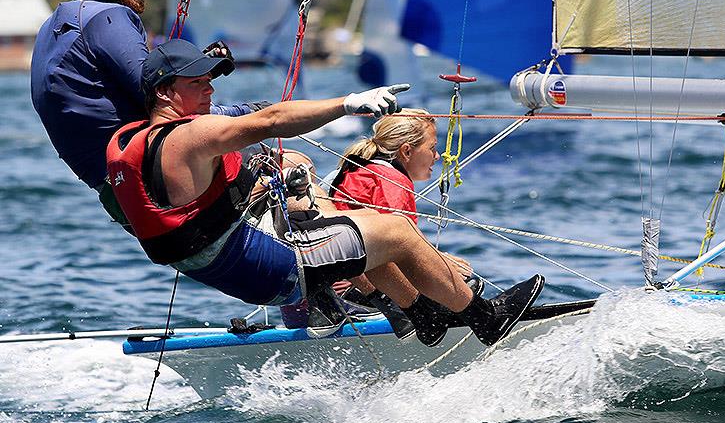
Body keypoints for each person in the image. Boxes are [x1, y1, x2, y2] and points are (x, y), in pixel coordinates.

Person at [107, 38, 545, 347]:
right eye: (197, 84)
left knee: (365, 226)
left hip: (225, 267)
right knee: (398, 232)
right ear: (164, 91)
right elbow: (271, 120)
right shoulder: (190, 136)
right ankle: (487, 320)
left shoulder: (131, 143)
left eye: (210, 81)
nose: (210, 90)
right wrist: (347, 104)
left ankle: (421, 315)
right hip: (265, 269)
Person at [30, 0, 256, 223]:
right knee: (282, 153)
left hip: (118, 194)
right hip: (155, 180)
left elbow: (129, 89)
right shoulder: (110, 16)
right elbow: (160, 98)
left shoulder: (54, 25)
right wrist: (249, 112)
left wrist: (199, 69)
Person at [320, 110, 481, 341]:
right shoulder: (393, 181)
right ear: (406, 151)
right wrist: (443, 266)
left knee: (452, 277)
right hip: (353, 296)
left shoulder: (360, 168)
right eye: (432, 147)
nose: (437, 156)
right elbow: (399, 251)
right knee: (463, 284)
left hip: (324, 294)